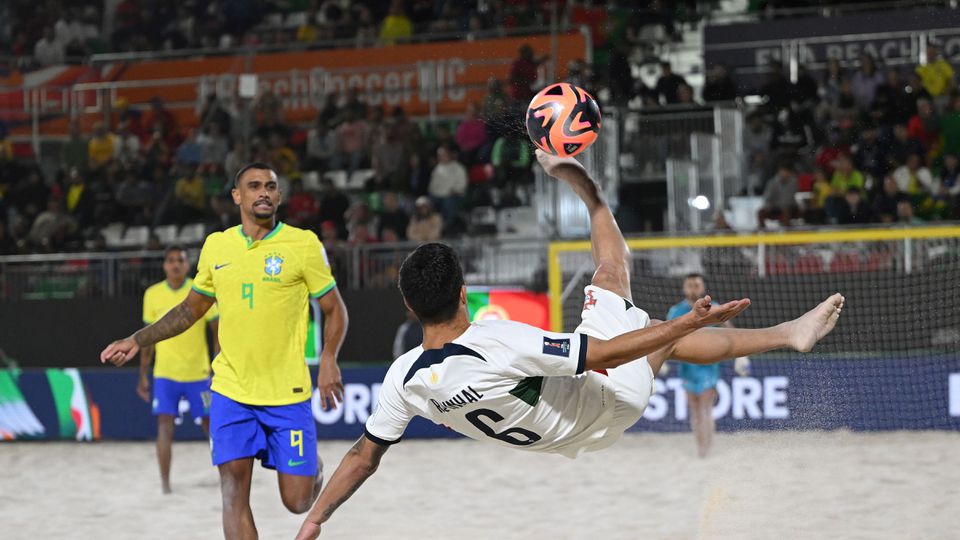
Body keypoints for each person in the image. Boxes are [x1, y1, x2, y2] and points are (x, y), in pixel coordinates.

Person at [295, 150, 845, 538]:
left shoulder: (403, 379)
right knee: (609, 274)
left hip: (566, 441)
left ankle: (600, 208)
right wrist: (685, 322)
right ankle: (591, 192)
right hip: (609, 401)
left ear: (409, 307)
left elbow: (362, 457)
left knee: (649, 338)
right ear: (465, 294)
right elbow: (605, 355)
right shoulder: (500, 340)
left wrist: (316, 517)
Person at [101, 163, 350, 539]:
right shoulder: (217, 246)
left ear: (279, 196)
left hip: (287, 393)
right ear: (237, 196)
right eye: (254, 186)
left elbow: (335, 309)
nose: (263, 192)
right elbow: (189, 310)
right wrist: (137, 340)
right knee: (232, 490)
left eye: (270, 186)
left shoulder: (303, 244)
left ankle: (311, 468)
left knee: (297, 501)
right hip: (230, 391)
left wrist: (328, 358)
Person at [139, 246, 220, 494]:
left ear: (187, 265)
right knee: (164, 426)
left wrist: (217, 362)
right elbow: (147, 338)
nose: (175, 265)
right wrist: (143, 374)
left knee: (211, 426)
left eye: (180, 260)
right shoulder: (152, 294)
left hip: (199, 372)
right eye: (171, 260)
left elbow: (217, 330)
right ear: (164, 265)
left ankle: (227, 476)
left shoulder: (200, 289)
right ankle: (165, 484)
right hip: (165, 373)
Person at [667, 274, 749, 458]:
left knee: (705, 408)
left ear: (703, 287)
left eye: (697, 284)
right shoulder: (675, 311)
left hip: (708, 364)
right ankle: (700, 448)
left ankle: (706, 449)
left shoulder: (715, 308)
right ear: (683, 288)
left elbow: (730, 331)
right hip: (687, 365)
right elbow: (665, 337)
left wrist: (740, 357)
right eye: (689, 285)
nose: (693, 288)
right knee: (694, 410)